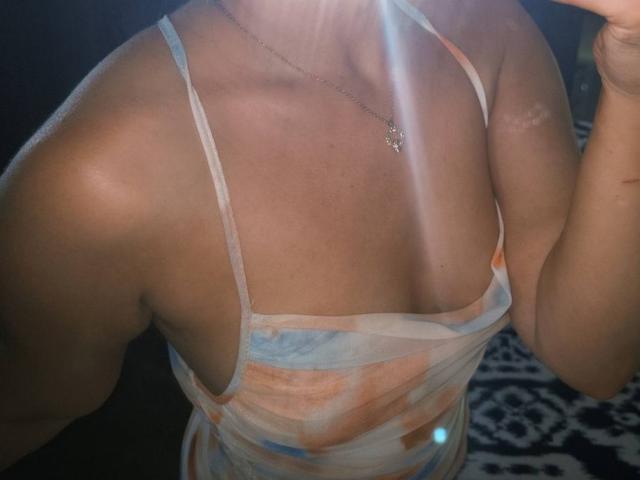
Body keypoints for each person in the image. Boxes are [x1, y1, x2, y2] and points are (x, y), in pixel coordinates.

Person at [1, 0, 639, 478]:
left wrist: (630, 79)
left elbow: (591, 359)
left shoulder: (491, 29)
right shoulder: (101, 173)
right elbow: (29, 404)